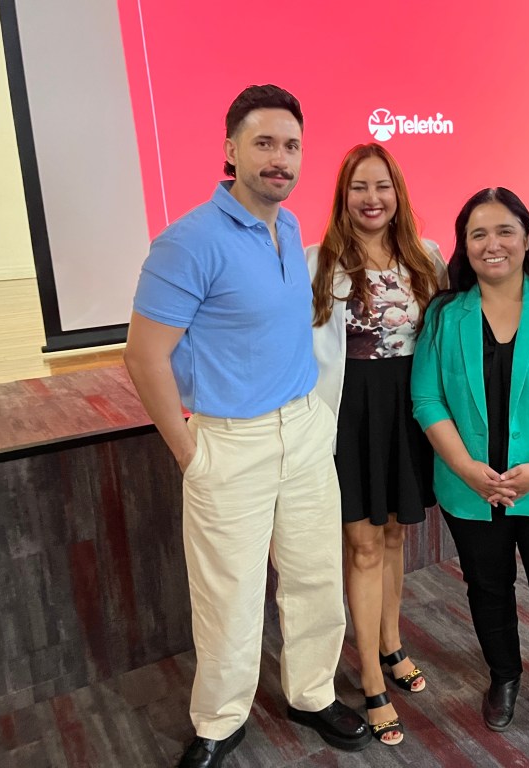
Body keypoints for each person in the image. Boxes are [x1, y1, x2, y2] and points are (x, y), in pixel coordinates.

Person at [124, 84, 371, 768]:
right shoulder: (187, 243)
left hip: (303, 431)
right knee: (229, 595)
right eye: (264, 143)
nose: (280, 159)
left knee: (316, 579)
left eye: (291, 145)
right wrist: (189, 453)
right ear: (230, 149)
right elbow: (144, 357)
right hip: (229, 445)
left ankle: (312, 694)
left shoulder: (288, 228)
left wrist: (313, 420)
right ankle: (220, 720)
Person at [411, 187, 529, 755]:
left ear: (528, 239)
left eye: (504, 231)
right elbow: (427, 398)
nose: (491, 244)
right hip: (471, 490)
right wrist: (468, 469)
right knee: (488, 591)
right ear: (464, 246)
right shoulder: (446, 315)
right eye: (477, 234)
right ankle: (505, 676)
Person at [307, 143, 445, 746]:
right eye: (360, 187)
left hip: (407, 413)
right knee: (362, 546)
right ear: (344, 196)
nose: (372, 199)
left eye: (382, 186)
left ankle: (391, 645)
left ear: (398, 194)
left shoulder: (426, 256)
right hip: (350, 417)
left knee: (393, 535)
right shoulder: (319, 262)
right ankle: (369, 680)